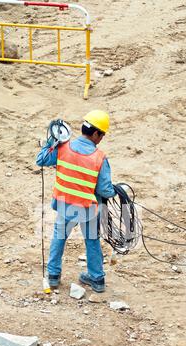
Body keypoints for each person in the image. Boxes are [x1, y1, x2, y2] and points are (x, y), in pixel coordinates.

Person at [36, 110, 115, 293]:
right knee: (92, 241)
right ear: (96, 133)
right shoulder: (99, 157)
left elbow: (40, 160)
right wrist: (114, 189)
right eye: (102, 135)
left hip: (65, 205)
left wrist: (53, 140)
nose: (101, 138)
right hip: (87, 208)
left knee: (59, 237)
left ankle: (53, 276)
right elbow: (105, 190)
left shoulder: (64, 148)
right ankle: (97, 279)